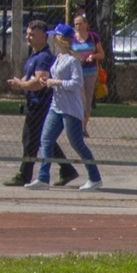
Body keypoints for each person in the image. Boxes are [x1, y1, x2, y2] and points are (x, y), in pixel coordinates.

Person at [4, 19, 76, 187]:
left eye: (32, 35)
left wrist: (22, 85)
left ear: (43, 36)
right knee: (44, 139)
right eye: (27, 34)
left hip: (40, 105)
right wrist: (19, 82)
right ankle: (67, 170)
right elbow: (30, 78)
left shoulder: (43, 57)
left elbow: (38, 82)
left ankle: (24, 175)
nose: (28, 37)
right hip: (34, 103)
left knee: (30, 140)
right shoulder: (34, 55)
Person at [28, 26, 101, 191]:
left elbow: (77, 83)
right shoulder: (58, 57)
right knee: (46, 140)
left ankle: (95, 178)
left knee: (77, 144)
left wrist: (56, 82)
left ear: (60, 39)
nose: (52, 39)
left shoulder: (73, 60)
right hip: (57, 106)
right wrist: (47, 80)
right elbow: (57, 78)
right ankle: (43, 178)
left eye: (55, 36)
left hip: (71, 109)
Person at [71, 11, 105, 131]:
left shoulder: (92, 37)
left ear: (85, 24)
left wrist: (93, 56)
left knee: (88, 99)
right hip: (76, 72)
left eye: (80, 23)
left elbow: (101, 54)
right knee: (80, 99)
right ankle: (77, 126)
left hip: (90, 72)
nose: (78, 26)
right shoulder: (71, 38)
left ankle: (83, 127)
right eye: (76, 24)